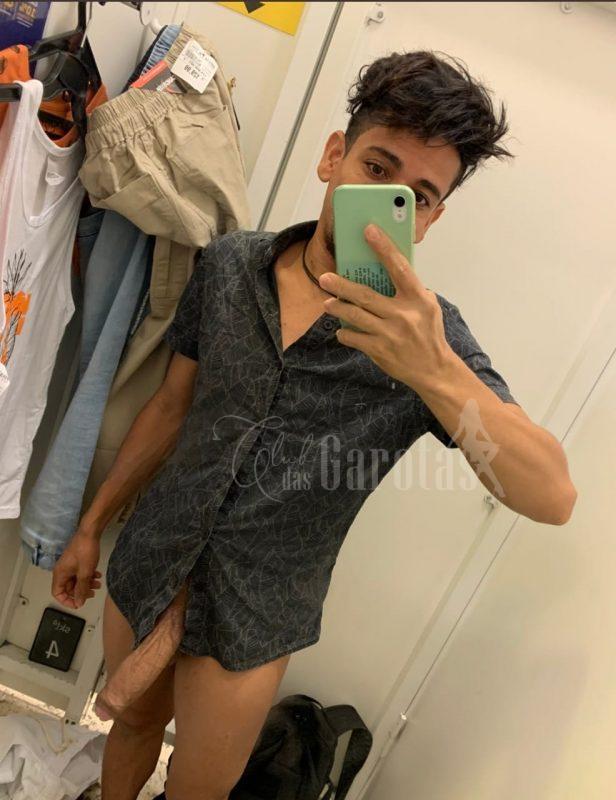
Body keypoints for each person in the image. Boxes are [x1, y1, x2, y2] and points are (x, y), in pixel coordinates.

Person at [51, 50, 577, 800]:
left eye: (416, 195)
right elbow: (171, 406)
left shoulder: (430, 340)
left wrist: (433, 371)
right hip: (154, 555)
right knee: (130, 728)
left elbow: (551, 496)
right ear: (334, 156)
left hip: (258, 611)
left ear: (431, 218)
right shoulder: (230, 267)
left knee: (199, 788)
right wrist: (90, 525)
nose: (387, 199)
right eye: (376, 167)